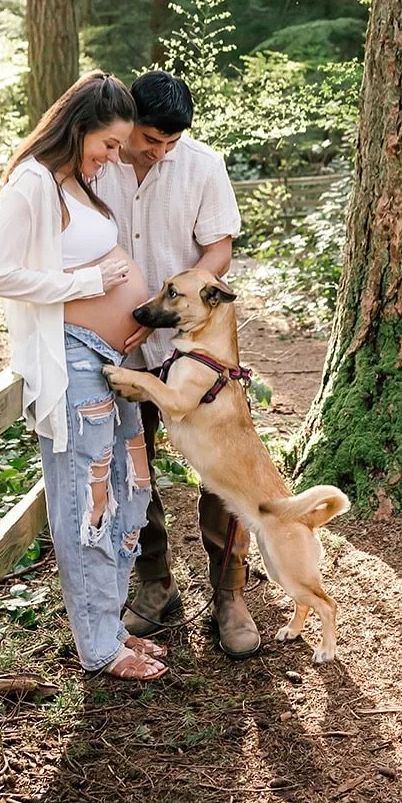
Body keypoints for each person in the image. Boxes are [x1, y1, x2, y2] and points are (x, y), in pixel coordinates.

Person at [0, 71, 167, 681]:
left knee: (131, 487)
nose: (114, 156)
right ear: (79, 126)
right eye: (108, 144)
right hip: (72, 358)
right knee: (88, 498)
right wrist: (88, 283)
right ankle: (99, 647)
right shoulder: (31, 183)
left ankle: (111, 624)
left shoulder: (79, 182)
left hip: (114, 362)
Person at [97, 70, 259, 659]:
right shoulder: (99, 160)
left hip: (195, 346)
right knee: (131, 464)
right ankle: (156, 582)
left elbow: (219, 249)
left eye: (170, 143)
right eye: (150, 140)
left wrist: (173, 304)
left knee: (225, 467)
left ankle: (230, 593)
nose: (159, 152)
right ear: (128, 121)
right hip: (119, 341)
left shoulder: (203, 165)